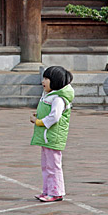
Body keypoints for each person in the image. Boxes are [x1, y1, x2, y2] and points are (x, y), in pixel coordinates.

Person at [30, 66, 74, 203]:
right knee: (46, 165)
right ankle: (48, 190)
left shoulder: (58, 99)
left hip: (52, 136)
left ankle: (56, 192)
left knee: (53, 165)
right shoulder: (50, 96)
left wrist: (39, 121)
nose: (43, 81)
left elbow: (54, 117)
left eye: (46, 79)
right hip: (46, 137)